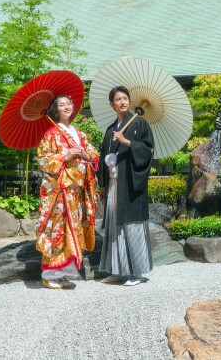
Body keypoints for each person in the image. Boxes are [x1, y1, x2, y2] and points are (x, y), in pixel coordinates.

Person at [35, 95, 99, 289]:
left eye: (68, 103)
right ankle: (49, 274)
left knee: (73, 228)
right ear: (56, 109)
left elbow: (94, 155)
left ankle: (62, 273)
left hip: (76, 189)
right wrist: (66, 155)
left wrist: (84, 154)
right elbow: (42, 159)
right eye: (61, 104)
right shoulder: (52, 133)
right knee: (58, 228)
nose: (66, 107)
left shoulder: (79, 133)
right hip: (60, 189)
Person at [97, 85, 155, 286]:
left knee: (132, 225)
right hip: (113, 184)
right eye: (118, 99)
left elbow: (147, 151)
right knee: (114, 226)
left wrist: (127, 141)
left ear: (129, 101)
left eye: (125, 98)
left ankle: (137, 273)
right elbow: (103, 157)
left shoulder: (139, 124)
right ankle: (117, 269)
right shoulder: (110, 128)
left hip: (130, 184)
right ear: (111, 104)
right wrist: (103, 185)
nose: (122, 102)